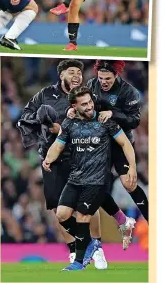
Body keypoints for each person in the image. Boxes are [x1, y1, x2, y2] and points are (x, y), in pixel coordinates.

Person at [17, 60, 105, 269]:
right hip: (53, 159)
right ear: (61, 75)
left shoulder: (86, 96)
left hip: (80, 157)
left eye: (79, 73)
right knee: (59, 208)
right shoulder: (45, 95)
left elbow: (96, 123)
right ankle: (76, 250)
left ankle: (98, 248)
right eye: (71, 72)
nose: (76, 76)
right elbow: (26, 117)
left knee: (87, 204)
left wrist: (64, 129)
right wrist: (45, 123)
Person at [43, 86, 137, 271]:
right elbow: (58, 145)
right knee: (61, 215)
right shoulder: (69, 124)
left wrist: (132, 167)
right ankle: (95, 239)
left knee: (83, 216)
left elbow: (125, 143)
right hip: (76, 178)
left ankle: (79, 262)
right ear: (74, 106)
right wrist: (48, 159)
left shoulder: (105, 122)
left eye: (90, 102)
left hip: (99, 179)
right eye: (83, 104)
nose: (89, 106)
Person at [85, 60, 149, 222]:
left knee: (129, 183)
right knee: (94, 184)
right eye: (101, 78)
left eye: (108, 78)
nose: (103, 82)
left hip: (122, 141)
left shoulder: (129, 92)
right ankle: (119, 221)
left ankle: (151, 219)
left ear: (116, 74)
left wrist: (113, 114)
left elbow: (134, 121)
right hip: (99, 141)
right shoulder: (92, 85)